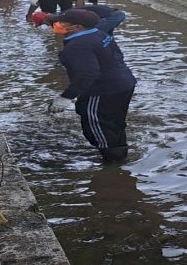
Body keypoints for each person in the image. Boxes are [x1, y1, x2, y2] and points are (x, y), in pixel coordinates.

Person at [46, 9, 137, 164]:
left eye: (62, 22)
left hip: (103, 90)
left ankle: (112, 165)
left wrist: (66, 97)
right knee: (115, 122)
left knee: (97, 126)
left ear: (77, 27)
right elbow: (118, 56)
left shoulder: (76, 45)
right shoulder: (100, 34)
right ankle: (121, 153)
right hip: (125, 83)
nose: (58, 24)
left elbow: (88, 74)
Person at [33, 3, 126, 35]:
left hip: (113, 16)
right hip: (115, 14)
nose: (46, 25)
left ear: (44, 19)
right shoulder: (64, 14)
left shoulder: (61, 16)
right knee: (105, 36)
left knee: (94, 34)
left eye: (43, 23)